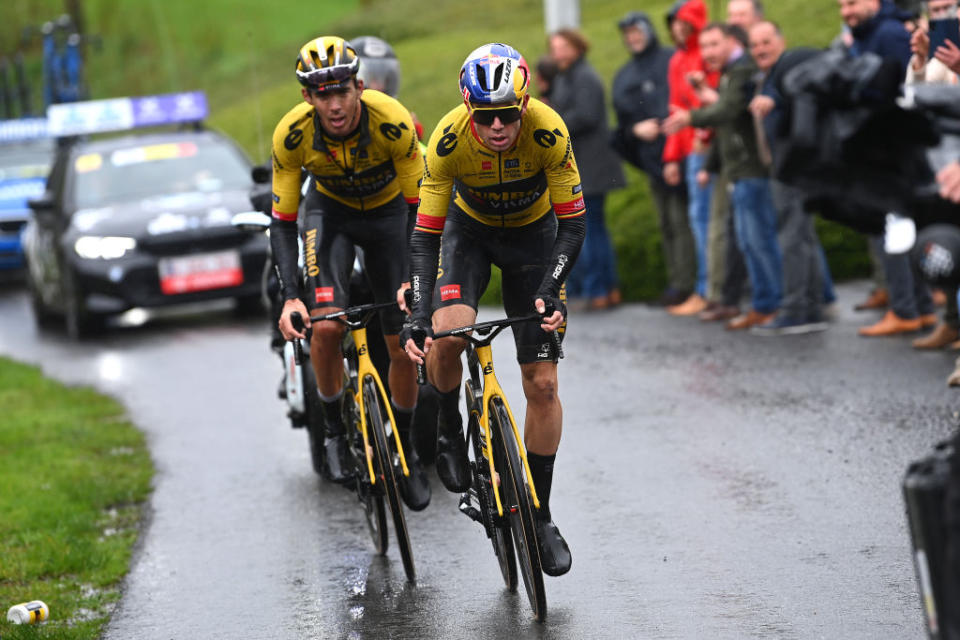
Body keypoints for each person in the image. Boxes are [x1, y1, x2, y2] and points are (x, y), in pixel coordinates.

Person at [401, 43, 585, 577]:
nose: (499, 126)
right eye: (487, 116)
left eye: (509, 113)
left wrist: (551, 288)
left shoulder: (549, 131)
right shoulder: (448, 138)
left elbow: (573, 224)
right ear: (469, 110)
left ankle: (542, 514)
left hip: (534, 239)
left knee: (543, 385)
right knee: (450, 333)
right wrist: (418, 312)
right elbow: (426, 236)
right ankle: (450, 430)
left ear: (525, 104)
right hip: (469, 235)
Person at [271, 36, 431, 511]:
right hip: (331, 216)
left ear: (359, 87)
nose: (334, 104)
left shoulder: (393, 122)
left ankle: (404, 451)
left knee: (402, 340)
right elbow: (282, 222)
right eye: (322, 94)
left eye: (341, 91)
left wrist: (412, 278)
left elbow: (420, 209)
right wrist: (289, 296)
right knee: (326, 323)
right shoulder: (292, 135)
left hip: (390, 219)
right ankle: (336, 434)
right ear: (307, 97)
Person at [664, 22, 783, 330]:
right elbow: (728, 121)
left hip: (752, 169)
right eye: (704, 47)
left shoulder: (742, 70)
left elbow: (729, 112)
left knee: (758, 241)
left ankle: (771, 304)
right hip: (738, 169)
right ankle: (765, 304)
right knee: (748, 241)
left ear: (732, 41)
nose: (708, 53)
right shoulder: (733, 72)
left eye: (714, 44)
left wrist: (690, 116)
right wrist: (711, 166)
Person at [840, 0, 938, 335]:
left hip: (892, 149)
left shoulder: (888, 33)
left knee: (893, 232)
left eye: (852, 3)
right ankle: (920, 308)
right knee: (900, 231)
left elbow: (905, 90)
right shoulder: (870, 33)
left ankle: (905, 309)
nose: (846, 12)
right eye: (841, 5)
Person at [748, 22, 832, 335]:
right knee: (801, 236)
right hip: (784, 167)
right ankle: (808, 307)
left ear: (781, 41)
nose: (760, 49)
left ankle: (797, 309)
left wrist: (777, 100)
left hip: (794, 167)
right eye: (755, 44)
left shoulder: (790, 68)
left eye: (766, 41)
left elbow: (801, 91)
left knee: (793, 237)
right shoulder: (766, 76)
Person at [611, 10, 697, 307]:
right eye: (628, 34)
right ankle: (678, 283)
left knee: (684, 221)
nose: (633, 38)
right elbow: (621, 126)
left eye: (637, 31)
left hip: (681, 154)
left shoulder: (670, 60)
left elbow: (679, 104)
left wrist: (666, 136)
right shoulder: (625, 75)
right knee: (667, 224)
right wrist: (636, 130)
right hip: (651, 161)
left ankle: (691, 285)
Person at [548, 28, 626, 310]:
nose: (558, 52)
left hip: (591, 165)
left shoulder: (584, 76)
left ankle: (598, 289)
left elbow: (586, 115)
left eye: (563, 46)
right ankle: (607, 288)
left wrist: (552, 124)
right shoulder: (569, 76)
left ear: (577, 47)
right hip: (587, 164)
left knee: (587, 230)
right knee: (595, 229)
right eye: (554, 47)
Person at [907, 0, 960, 349]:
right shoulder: (943, 55)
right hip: (947, 169)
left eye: (950, 8)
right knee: (948, 248)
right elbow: (918, 97)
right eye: (937, 10)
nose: (945, 16)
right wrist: (922, 60)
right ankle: (953, 324)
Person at [662, 0, 719, 316]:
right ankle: (705, 288)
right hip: (687, 149)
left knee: (705, 221)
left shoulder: (704, 55)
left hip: (703, 146)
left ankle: (708, 289)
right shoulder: (677, 60)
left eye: (685, 23)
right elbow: (674, 109)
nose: (678, 28)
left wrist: (702, 135)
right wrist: (671, 156)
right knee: (699, 220)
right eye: (675, 23)